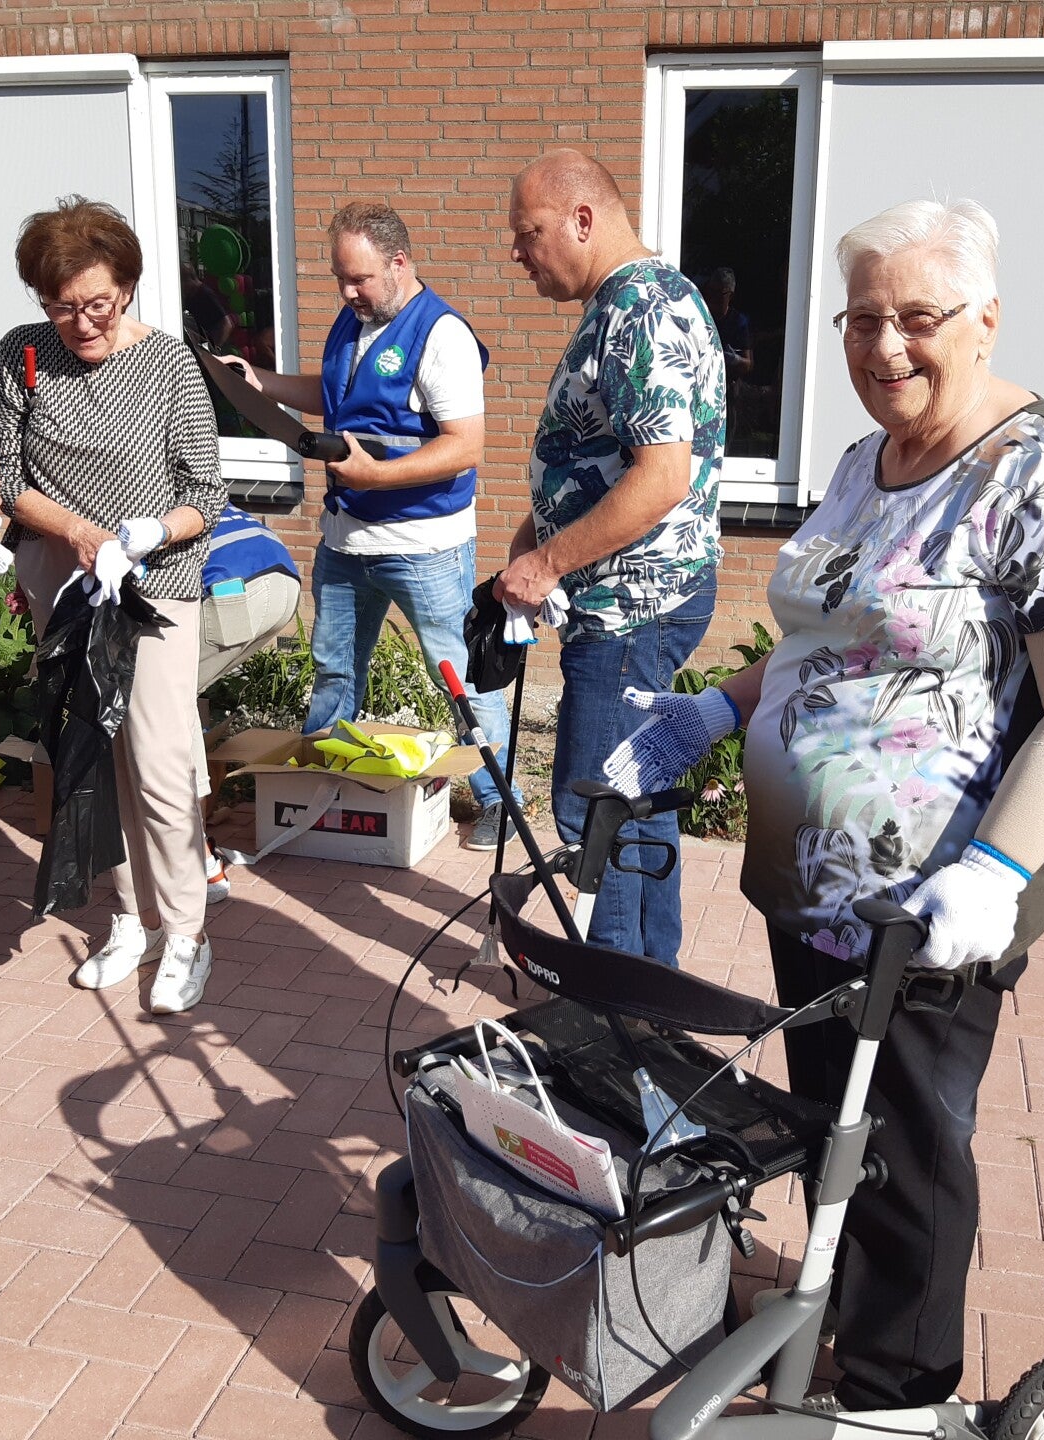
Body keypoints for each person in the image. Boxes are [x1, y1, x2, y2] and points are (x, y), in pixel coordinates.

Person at [604, 198, 1044, 1412]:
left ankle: (901, 1394)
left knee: (903, 1144)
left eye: (918, 317)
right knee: (831, 1125)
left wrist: (996, 874)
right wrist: (713, 712)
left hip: (929, 906)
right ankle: (843, 1318)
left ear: (986, 319)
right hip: (813, 890)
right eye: (861, 320)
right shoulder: (867, 462)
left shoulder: (1039, 472)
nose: (884, 345)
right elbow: (829, 641)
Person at [0, 196, 228, 1015]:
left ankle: (188, 933)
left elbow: (207, 492)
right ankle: (134, 919)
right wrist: (79, 533)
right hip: (66, 584)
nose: (82, 323)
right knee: (92, 758)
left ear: (126, 287)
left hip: (154, 589)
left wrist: (150, 530)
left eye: (97, 304)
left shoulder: (168, 365)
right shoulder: (23, 352)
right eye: (61, 306)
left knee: (158, 763)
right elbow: (11, 477)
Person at [216, 202, 517, 850]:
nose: (347, 292)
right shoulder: (354, 322)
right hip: (345, 541)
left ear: (400, 263)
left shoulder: (442, 335)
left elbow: (466, 446)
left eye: (359, 279)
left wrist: (376, 477)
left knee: (462, 679)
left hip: (425, 548)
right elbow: (334, 395)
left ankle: (500, 800)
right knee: (334, 671)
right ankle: (324, 788)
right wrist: (260, 382)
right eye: (339, 278)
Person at [496, 149, 725, 965]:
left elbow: (661, 476)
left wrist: (547, 563)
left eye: (528, 233)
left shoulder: (641, 309)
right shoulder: (632, 303)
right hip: (638, 598)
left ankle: (620, 1003)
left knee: (594, 810)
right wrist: (534, 534)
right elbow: (605, 458)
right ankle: (653, 988)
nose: (517, 253)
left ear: (582, 220)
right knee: (635, 797)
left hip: (630, 606)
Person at [196, 501, 302, 902]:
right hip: (281, 578)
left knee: (159, 708)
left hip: (230, 590)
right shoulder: (167, 478)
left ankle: (197, 861)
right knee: (175, 701)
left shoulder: (99, 495)